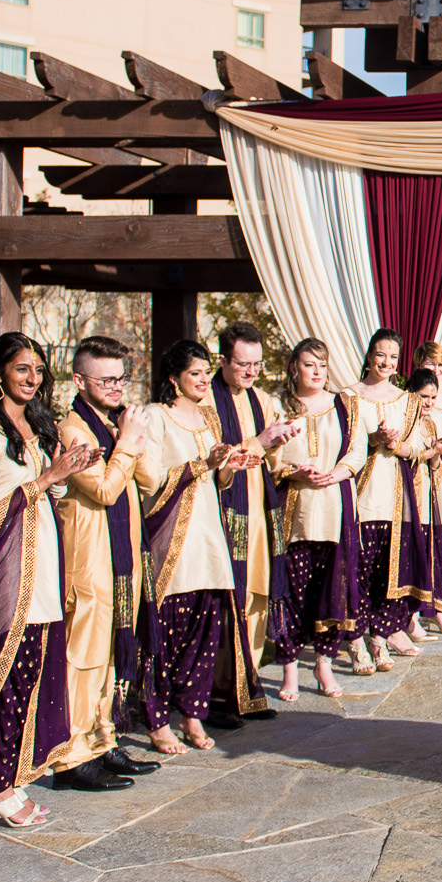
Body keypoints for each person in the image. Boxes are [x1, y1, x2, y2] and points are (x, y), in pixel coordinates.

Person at [0, 332, 95, 827]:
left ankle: (10, 778)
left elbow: (44, 496)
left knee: (28, 680)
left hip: (39, 572)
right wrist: (44, 478)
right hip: (4, 579)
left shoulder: (30, 430)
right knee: (5, 681)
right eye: (22, 369)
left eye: (38, 370)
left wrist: (66, 470)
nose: (32, 378)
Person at [135, 340, 262, 754]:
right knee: (165, 633)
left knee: (204, 632)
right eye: (195, 373)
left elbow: (216, 480)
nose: (205, 380)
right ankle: (157, 720)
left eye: (207, 372)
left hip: (209, 538)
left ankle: (193, 711)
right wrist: (201, 465)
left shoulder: (209, 417)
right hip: (174, 542)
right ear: (173, 378)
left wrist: (228, 468)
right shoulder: (157, 417)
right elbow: (149, 480)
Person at [54, 336, 159, 790]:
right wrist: (127, 446)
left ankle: (103, 740)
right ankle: (73, 755)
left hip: (123, 556)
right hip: (90, 556)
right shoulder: (72, 428)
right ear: (79, 380)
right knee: (85, 655)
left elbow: (151, 479)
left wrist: (134, 439)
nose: (117, 387)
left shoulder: (116, 424)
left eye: (122, 378)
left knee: (113, 653)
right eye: (106, 379)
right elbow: (101, 490)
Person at [270, 338, 367, 700]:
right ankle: (289, 668)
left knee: (334, 589)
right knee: (292, 591)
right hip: (294, 510)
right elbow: (269, 456)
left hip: (334, 507)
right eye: (310, 364)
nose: (317, 372)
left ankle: (324, 663)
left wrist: (338, 472)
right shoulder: (278, 406)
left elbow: (358, 450)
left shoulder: (343, 405)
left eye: (322, 366)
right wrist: (293, 471)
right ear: (294, 366)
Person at [209, 322, 296, 727]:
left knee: (259, 598)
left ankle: (250, 686)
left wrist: (281, 447)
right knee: (231, 603)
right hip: (225, 514)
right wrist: (260, 441)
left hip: (261, 512)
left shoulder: (263, 398)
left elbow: (272, 462)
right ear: (222, 360)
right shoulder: (208, 401)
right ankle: (220, 693)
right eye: (243, 365)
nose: (251, 373)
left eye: (257, 365)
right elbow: (213, 459)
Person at [350, 329, 432, 672]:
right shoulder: (348, 396)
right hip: (358, 496)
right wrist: (374, 439)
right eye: (381, 355)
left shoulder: (405, 399)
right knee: (358, 572)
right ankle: (355, 641)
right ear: (369, 355)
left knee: (389, 572)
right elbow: (342, 447)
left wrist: (395, 445)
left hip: (396, 497)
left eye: (394, 357)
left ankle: (380, 636)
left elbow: (416, 448)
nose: (386, 362)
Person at [401, 362, 442, 637]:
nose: (428, 402)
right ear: (411, 393)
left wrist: (439, 451)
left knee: (425, 555)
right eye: (424, 396)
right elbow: (404, 455)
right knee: (408, 557)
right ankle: (406, 620)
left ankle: (419, 615)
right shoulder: (403, 420)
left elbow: (433, 466)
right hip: (404, 498)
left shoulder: (429, 423)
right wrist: (430, 452)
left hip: (426, 495)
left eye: (433, 397)